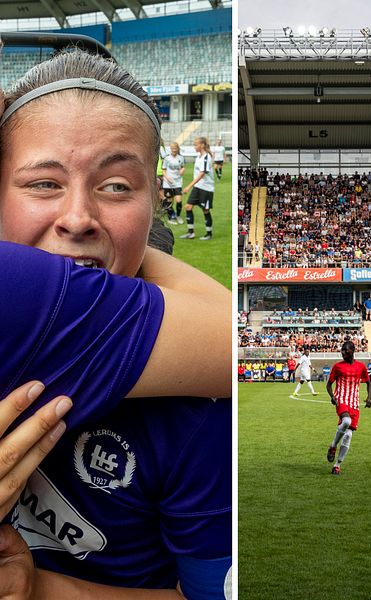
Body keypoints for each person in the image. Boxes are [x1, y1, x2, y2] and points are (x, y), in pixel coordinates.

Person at [0, 49, 230, 598]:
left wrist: (36, 590)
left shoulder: (201, 418)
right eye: (42, 184)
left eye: (118, 187)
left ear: (156, 202)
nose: (77, 218)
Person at [326, 341, 371, 476]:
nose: (343, 353)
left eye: (345, 350)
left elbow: (369, 383)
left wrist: (369, 398)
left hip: (354, 403)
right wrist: (332, 397)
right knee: (346, 422)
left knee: (348, 436)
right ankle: (333, 446)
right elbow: (329, 384)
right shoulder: (337, 366)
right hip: (342, 400)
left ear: (352, 350)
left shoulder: (361, 367)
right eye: (342, 351)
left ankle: (337, 465)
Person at [181, 137, 214, 241]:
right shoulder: (199, 157)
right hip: (198, 187)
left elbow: (202, 174)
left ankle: (209, 233)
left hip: (206, 188)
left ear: (202, 145)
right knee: (188, 207)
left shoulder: (206, 157)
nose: (194, 147)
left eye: (196, 145)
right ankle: (191, 233)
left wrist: (188, 186)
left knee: (205, 210)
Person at [162, 141, 185, 224]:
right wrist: (167, 177)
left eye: (175, 148)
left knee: (179, 201)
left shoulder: (181, 158)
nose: (174, 150)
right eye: (172, 149)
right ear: (170, 149)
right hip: (168, 183)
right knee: (169, 201)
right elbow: (163, 169)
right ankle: (170, 217)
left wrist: (182, 170)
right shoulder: (167, 158)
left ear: (177, 149)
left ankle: (178, 216)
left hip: (178, 182)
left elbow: (183, 167)